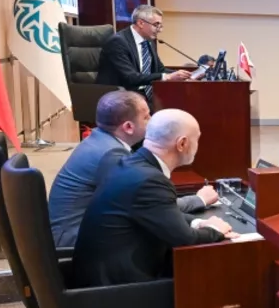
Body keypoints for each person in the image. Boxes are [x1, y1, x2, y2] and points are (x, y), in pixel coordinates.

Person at [73, 110, 235, 289]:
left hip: (98, 276)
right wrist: (216, 229)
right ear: (182, 143)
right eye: (197, 139)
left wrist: (198, 222)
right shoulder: (150, 180)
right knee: (212, 281)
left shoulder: (127, 162)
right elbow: (186, 240)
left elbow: (164, 213)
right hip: (118, 291)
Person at [49, 91, 215, 248]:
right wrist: (198, 200)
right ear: (128, 127)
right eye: (146, 117)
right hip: (74, 240)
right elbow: (148, 204)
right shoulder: (111, 154)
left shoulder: (100, 141)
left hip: (75, 230)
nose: (152, 120)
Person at [95, 5, 191, 105]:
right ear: (141, 23)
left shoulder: (148, 41)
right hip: (119, 98)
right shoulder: (118, 42)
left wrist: (184, 75)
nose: (159, 30)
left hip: (142, 95)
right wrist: (168, 77)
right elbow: (130, 77)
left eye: (160, 25)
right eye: (156, 25)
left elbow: (160, 69)